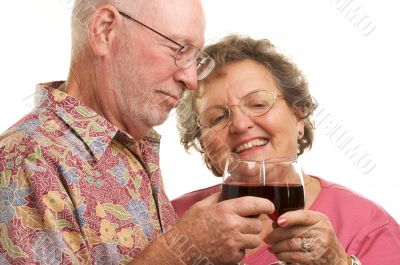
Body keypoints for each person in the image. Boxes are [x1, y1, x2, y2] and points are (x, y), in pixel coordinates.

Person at [0, 2, 276, 264]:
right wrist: (181, 249)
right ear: (105, 31)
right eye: (178, 49)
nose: (191, 80)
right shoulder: (27, 159)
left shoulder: (132, 146)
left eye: (195, 59)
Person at [173, 35, 400, 264]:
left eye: (258, 104)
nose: (241, 125)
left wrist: (339, 262)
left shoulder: (369, 225)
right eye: (217, 117)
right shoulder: (169, 219)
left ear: (299, 116)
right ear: (203, 146)